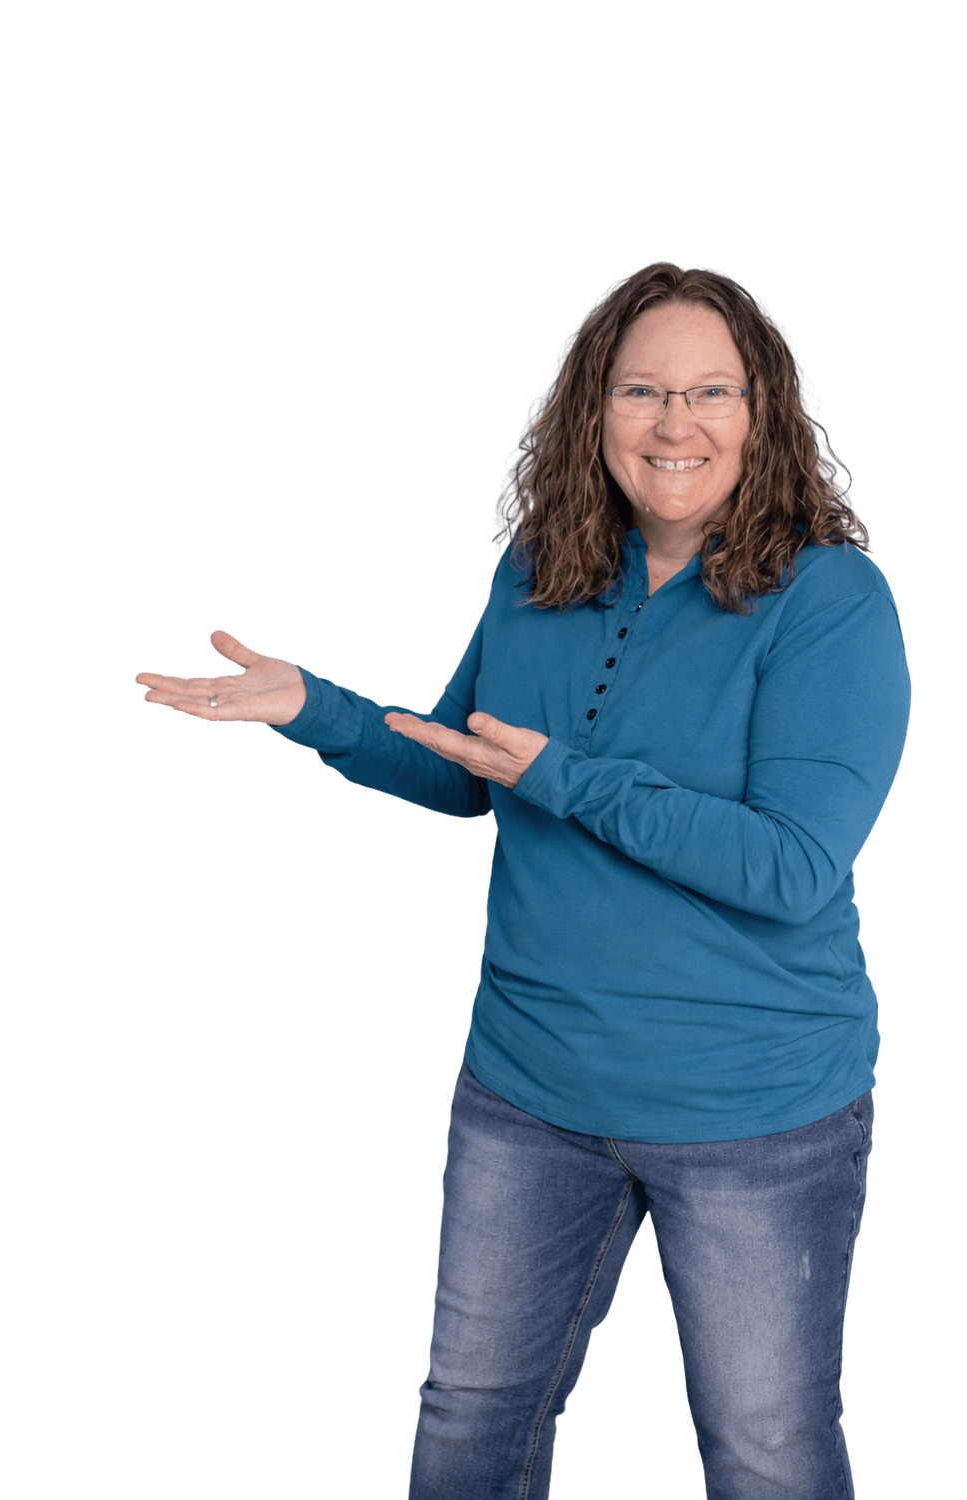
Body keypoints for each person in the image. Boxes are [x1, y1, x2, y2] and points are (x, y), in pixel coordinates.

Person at [136, 262, 911, 1499]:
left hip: (750, 1112)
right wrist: (315, 708)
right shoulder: (539, 567)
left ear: (762, 413)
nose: (673, 422)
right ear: (592, 409)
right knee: (466, 1426)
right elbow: (468, 770)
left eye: (710, 391)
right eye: (640, 390)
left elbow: (791, 865)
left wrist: (567, 777)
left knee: (764, 1456)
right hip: (527, 1094)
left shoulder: (827, 599)